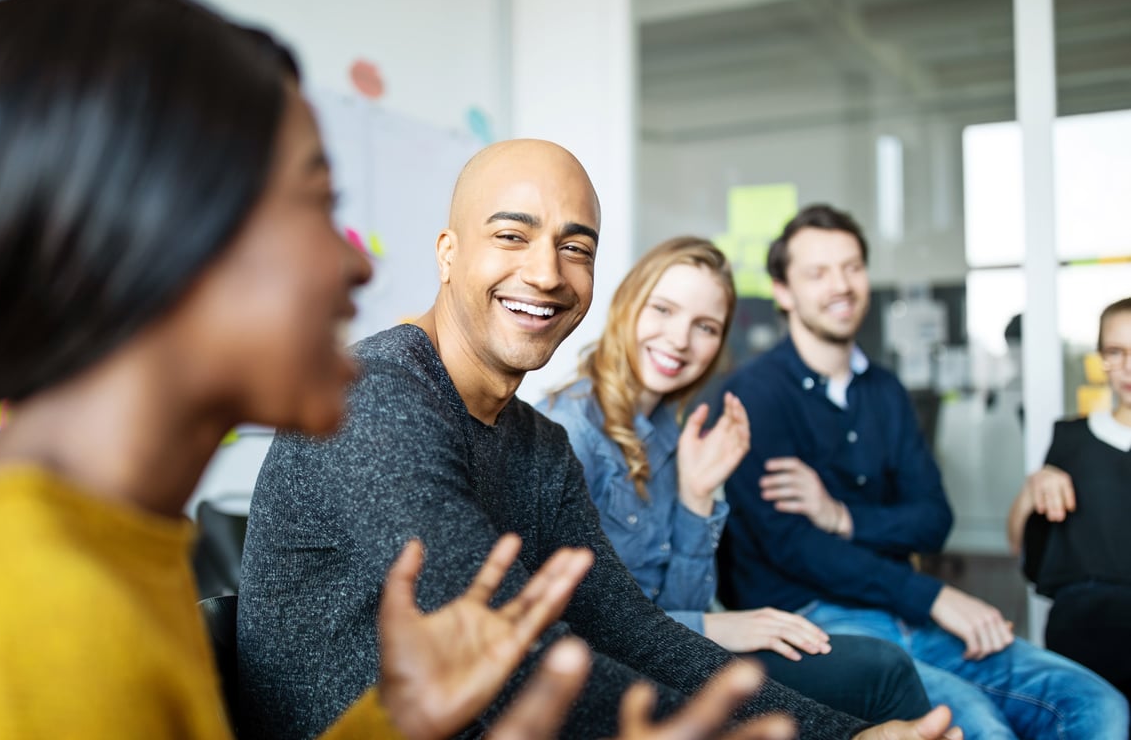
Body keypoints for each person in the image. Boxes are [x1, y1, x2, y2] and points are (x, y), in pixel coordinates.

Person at [0, 0, 617, 740]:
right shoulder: (20, 625)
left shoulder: (111, 541)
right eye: (314, 204)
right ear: (160, 247)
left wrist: (392, 722)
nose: (356, 266)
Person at [239, 140, 963, 740]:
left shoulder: (540, 445)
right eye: (511, 235)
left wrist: (844, 734)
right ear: (449, 254)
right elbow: (515, 656)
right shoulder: (379, 396)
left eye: (575, 247)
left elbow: (631, 629)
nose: (547, 272)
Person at [715, 204, 1128, 738]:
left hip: (908, 613)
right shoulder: (757, 394)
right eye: (818, 273)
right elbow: (794, 547)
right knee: (982, 727)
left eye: (851, 267)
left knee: (1097, 704)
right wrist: (934, 595)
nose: (841, 285)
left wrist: (842, 517)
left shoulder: (885, 391)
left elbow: (932, 518)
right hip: (820, 623)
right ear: (784, 291)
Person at [537, 236, 931, 723]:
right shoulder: (569, 432)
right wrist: (717, 626)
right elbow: (575, 622)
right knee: (883, 673)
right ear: (627, 305)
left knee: (879, 669)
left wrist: (696, 495)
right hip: (608, 680)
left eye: (705, 327)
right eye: (663, 310)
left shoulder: (667, 432)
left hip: (666, 658)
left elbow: (677, 605)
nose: (681, 340)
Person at [1007, 296, 1131, 705]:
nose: (1129, 366)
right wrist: (1033, 489)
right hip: (1087, 635)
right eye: (1116, 352)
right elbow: (1019, 547)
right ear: (1102, 360)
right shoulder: (1071, 441)